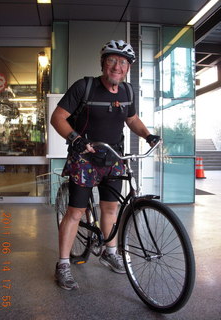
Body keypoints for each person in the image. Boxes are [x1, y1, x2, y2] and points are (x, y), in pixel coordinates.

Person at [51, 40, 160, 290]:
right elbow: (58, 117)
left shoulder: (128, 92)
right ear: (103, 63)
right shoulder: (84, 87)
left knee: (110, 209)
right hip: (84, 159)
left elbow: (131, 119)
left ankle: (110, 253)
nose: (117, 66)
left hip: (114, 159)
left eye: (123, 62)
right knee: (75, 213)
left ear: (128, 68)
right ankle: (64, 265)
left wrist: (147, 135)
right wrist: (75, 139)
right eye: (112, 60)